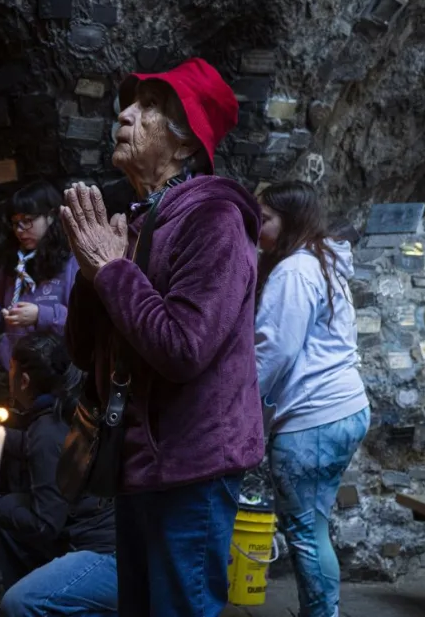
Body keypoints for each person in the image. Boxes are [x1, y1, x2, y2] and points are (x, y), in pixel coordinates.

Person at [61, 57, 264, 617]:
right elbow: (83, 351)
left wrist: (111, 271)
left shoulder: (215, 218)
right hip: (141, 460)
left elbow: (183, 347)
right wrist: (90, 271)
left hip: (191, 466)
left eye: (149, 107)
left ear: (184, 143)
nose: (125, 114)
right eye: (129, 104)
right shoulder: (141, 216)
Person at [255, 181, 371, 617]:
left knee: (304, 531)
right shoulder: (322, 263)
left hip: (313, 418)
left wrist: (242, 402)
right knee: (314, 527)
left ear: (291, 220)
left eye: (264, 219)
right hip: (344, 409)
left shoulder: (296, 271)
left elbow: (274, 348)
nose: (257, 228)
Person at [0, 332, 118, 616]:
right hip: (112, 544)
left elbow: (45, 524)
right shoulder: (66, 410)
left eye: (10, 371)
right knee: (12, 509)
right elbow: (25, 445)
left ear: (23, 381)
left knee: (20, 601)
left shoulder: (49, 429)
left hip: (106, 555)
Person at [0, 180, 79, 370]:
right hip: (18, 369)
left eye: (27, 220)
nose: (20, 230)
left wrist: (41, 315)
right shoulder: (15, 262)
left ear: (52, 216)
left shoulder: (73, 263)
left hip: (59, 372)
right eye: (15, 223)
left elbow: (84, 323)